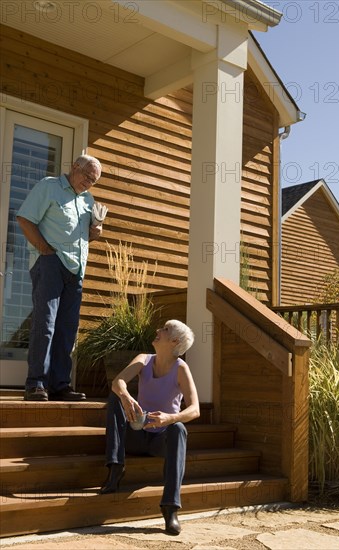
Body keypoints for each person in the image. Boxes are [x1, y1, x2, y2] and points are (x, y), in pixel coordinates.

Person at [100, 319, 200, 536]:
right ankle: (115, 469)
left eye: (164, 330)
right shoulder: (144, 360)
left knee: (179, 428)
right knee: (116, 396)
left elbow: (195, 409)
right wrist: (126, 396)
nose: (158, 330)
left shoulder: (181, 369)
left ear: (174, 341)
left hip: (160, 441)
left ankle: (170, 508)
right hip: (135, 434)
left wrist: (170, 418)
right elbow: (118, 382)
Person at [17, 154, 103, 402]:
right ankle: (36, 384)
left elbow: (86, 236)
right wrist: (44, 249)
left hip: (76, 270)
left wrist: (95, 231)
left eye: (93, 181)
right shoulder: (49, 186)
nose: (89, 183)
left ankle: (59, 385)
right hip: (51, 264)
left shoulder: (88, 199)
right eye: (87, 176)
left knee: (67, 329)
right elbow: (25, 219)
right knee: (45, 326)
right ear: (74, 167)